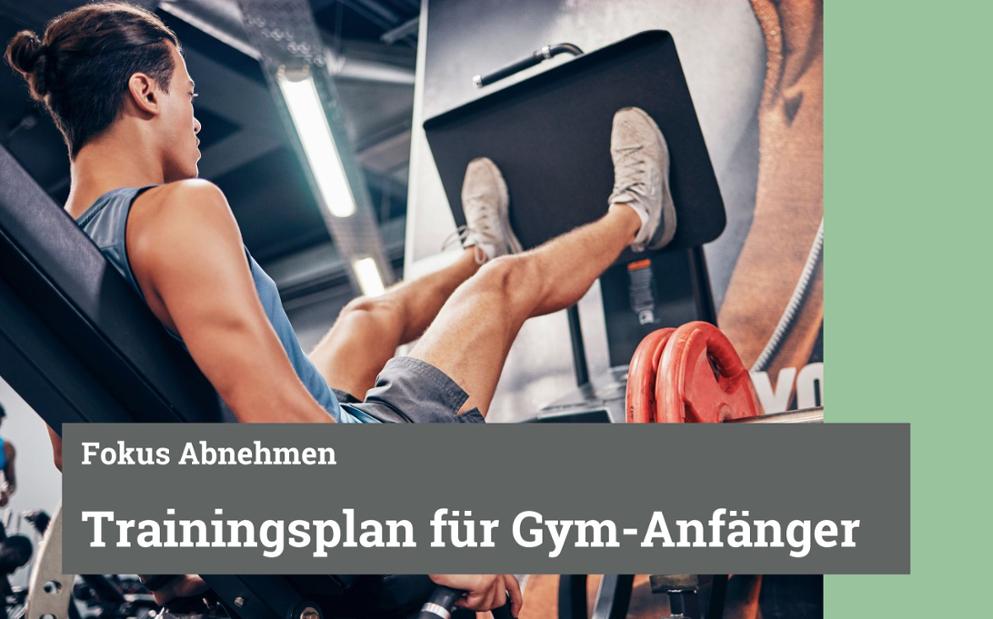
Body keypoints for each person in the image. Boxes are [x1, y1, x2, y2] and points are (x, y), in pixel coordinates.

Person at [5, 2, 677, 613]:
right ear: (145, 92)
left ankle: (476, 248)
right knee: (502, 288)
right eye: (189, 92)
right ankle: (636, 215)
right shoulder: (180, 208)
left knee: (364, 318)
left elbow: (81, 461)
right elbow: (276, 420)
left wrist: (180, 570)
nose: (197, 116)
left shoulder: (61, 261)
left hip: (261, 495)